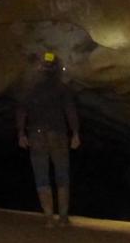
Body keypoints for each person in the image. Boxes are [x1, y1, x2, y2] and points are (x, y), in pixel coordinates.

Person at [15, 51, 81, 227]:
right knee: (62, 175)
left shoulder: (30, 88)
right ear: (57, 68)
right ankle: (63, 217)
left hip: (36, 135)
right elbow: (70, 111)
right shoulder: (62, 88)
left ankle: (49, 218)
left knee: (41, 176)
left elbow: (22, 111)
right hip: (58, 134)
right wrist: (75, 133)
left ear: (40, 68)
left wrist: (21, 133)